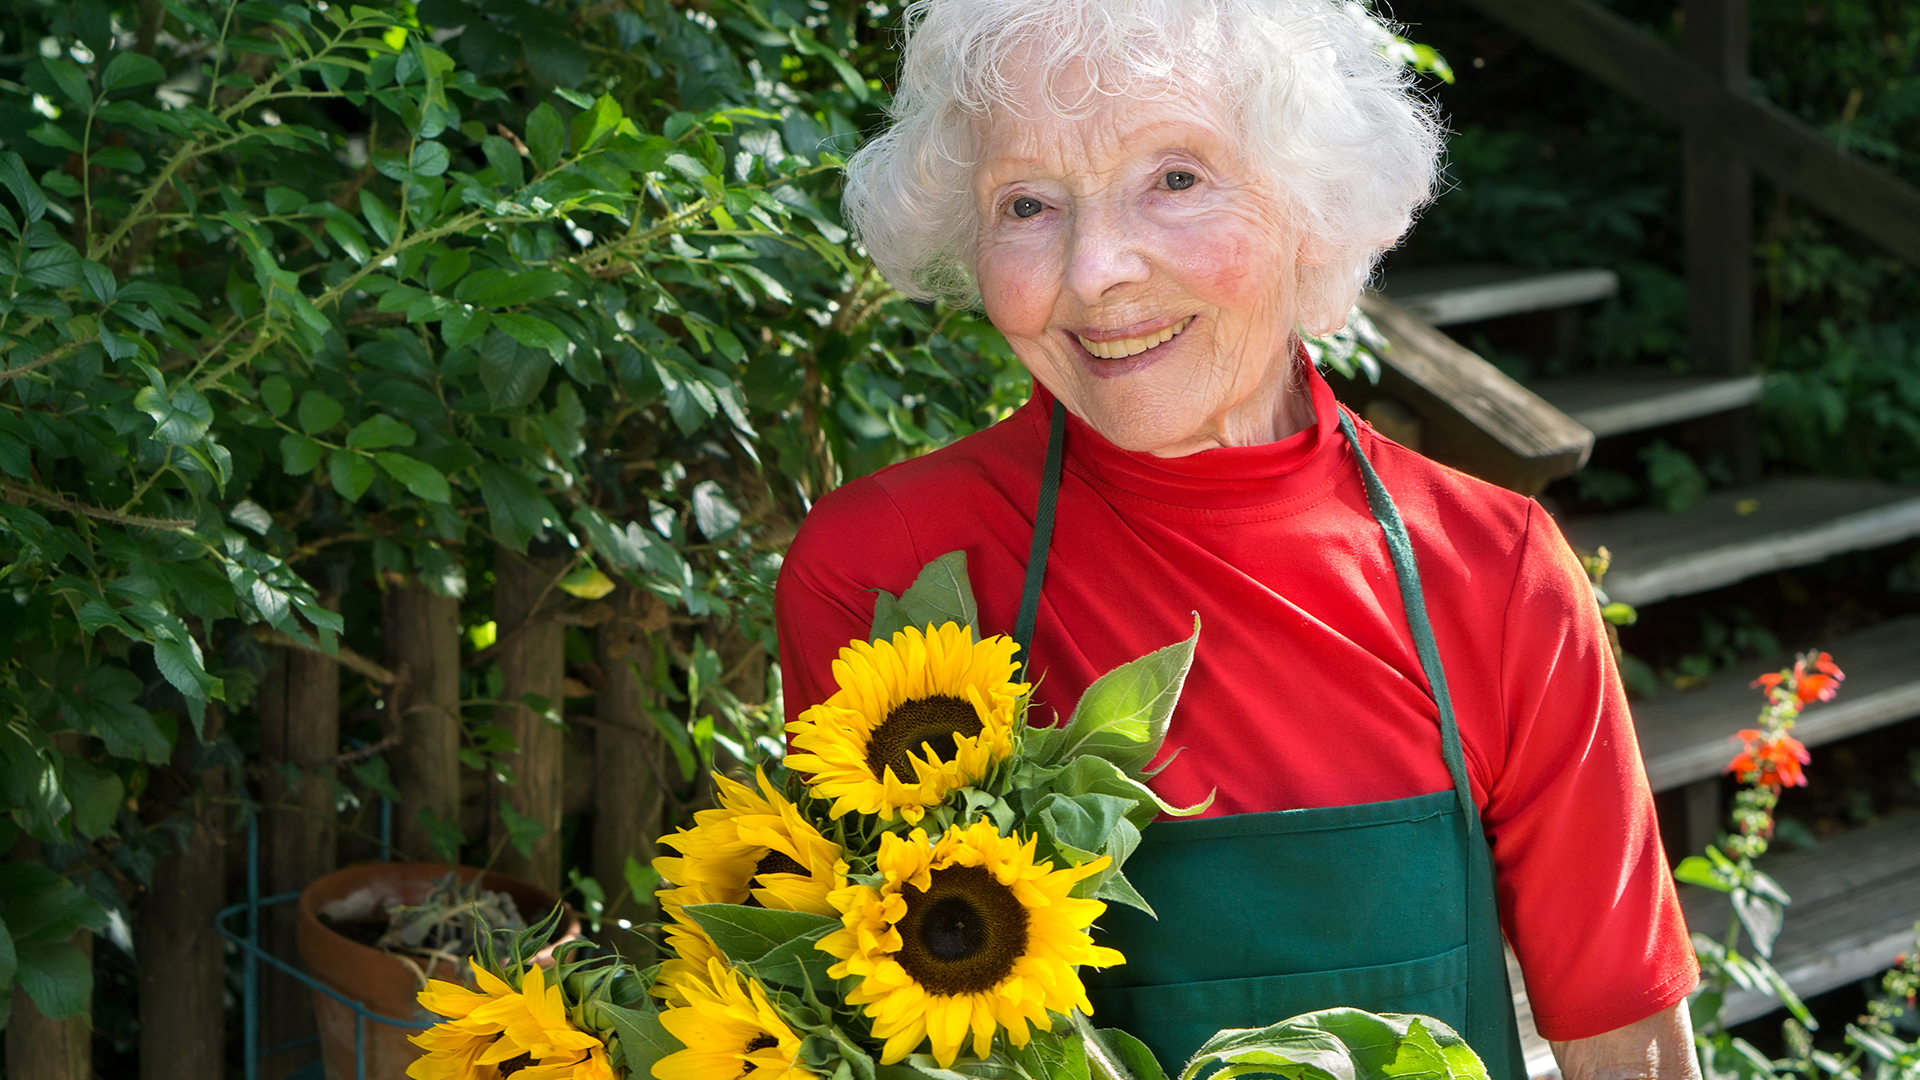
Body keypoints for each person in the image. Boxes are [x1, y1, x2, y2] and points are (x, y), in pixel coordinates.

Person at [773, 1, 1701, 1078]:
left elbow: (1628, 1050)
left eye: (1175, 179)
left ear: (1313, 204)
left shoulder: (1495, 573)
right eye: (1027, 203)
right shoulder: (879, 568)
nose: (1094, 273)